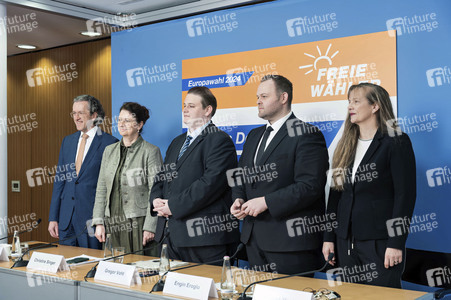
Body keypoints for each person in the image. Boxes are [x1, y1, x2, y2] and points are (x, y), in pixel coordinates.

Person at [230, 75, 329, 275]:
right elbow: (241, 176)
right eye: (258, 96)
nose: (258, 101)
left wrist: (266, 201)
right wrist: (238, 198)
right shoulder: (254, 135)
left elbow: (310, 186)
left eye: (264, 96)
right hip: (253, 240)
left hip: (291, 244)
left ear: (283, 98)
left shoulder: (307, 133)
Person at [322, 83, 416, 288]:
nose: (350, 106)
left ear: (375, 106)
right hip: (344, 242)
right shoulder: (346, 142)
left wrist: (395, 243)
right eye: (349, 102)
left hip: (380, 244)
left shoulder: (396, 141)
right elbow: (335, 194)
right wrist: (329, 237)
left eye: (356, 101)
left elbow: (405, 196)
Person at [150, 86, 239, 264]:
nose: (185, 110)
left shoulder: (220, 140)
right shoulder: (177, 142)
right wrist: (156, 199)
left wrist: (173, 206)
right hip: (171, 236)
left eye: (191, 106)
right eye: (184, 105)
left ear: (208, 110)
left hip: (204, 240)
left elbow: (210, 184)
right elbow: (162, 176)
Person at [92, 102, 162, 255]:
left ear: (139, 124)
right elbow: (101, 188)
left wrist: (150, 226)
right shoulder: (108, 151)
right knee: (115, 269)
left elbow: (156, 191)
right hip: (112, 222)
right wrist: (98, 222)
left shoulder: (150, 151)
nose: (121, 124)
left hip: (138, 222)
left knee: (139, 270)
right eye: (119, 120)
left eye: (127, 120)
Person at [49, 95, 118, 249]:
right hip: (66, 221)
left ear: (94, 115)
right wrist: (53, 217)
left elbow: (110, 188)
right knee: (65, 268)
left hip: (91, 221)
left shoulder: (110, 143)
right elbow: (60, 181)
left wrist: (102, 221)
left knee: (89, 267)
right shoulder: (67, 141)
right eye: (74, 113)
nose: (76, 117)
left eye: (81, 113)